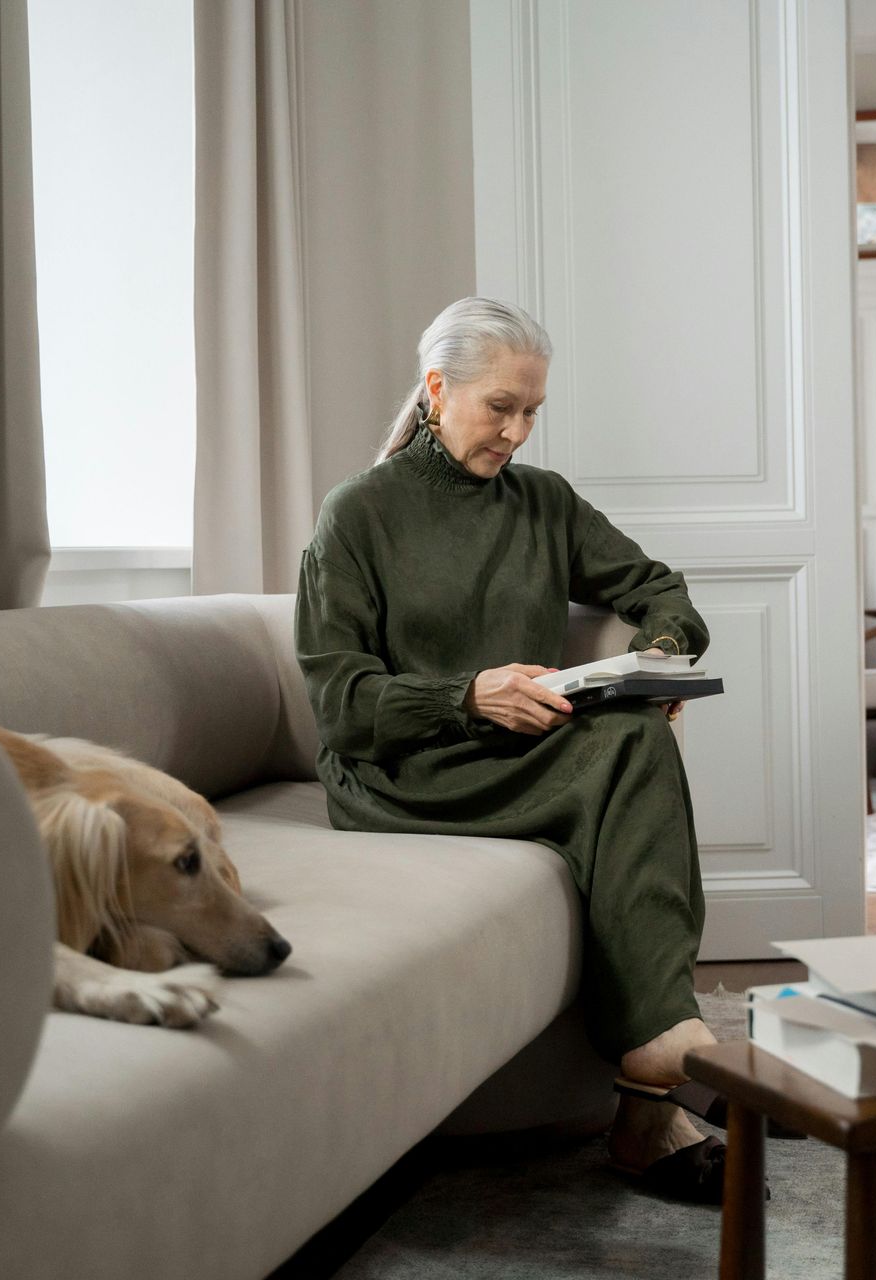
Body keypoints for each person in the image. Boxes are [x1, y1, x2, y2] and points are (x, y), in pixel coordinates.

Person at [294, 296, 741, 1202]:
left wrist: (659, 655)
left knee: (634, 734)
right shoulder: (358, 515)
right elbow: (341, 706)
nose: (518, 430)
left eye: (532, 410)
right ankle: (658, 1056)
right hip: (403, 775)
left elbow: (659, 587)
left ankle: (656, 1065)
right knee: (626, 756)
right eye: (500, 406)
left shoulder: (544, 503)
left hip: (513, 753)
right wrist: (466, 695)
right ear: (436, 389)